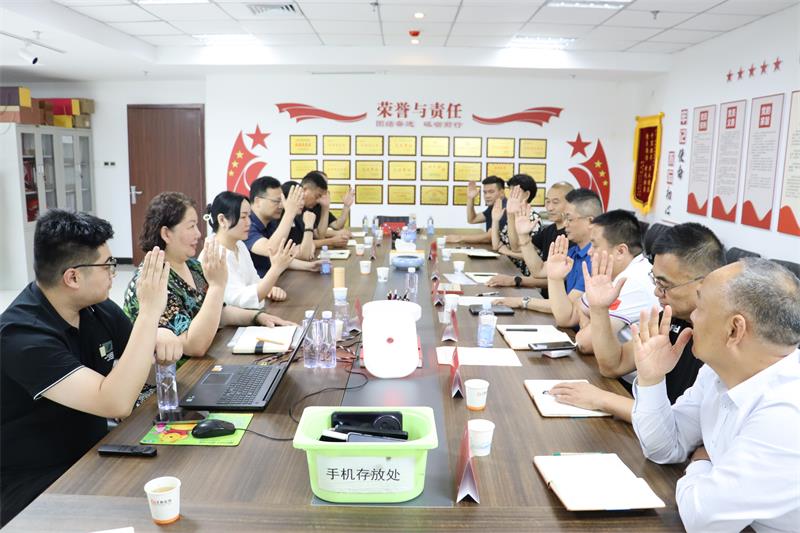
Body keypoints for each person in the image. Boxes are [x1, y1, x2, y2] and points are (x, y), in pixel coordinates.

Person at [0, 210, 173, 526]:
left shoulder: (96, 308)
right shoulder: (21, 336)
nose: (113, 273)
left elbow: (141, 369)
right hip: (33, 479)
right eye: (107, 265)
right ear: (73, 277)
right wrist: (149, 313)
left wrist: (159, 340)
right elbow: (115, 402)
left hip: (91, 451)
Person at [631, 258, 800, 532]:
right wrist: (652, 379)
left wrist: (701, 461)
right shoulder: (716, 372)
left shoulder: (788, 412)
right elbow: (664, 447)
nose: (692, 317)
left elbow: (703, 520)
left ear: (734, 330)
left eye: (700, 307)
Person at [549, 223, 724, 422]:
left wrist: (601, 399)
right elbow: (613, 365)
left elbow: (680, 422)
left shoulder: (725, 340)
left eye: (664, 285)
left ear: (705, 283)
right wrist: (599, 309)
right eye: (655, 281)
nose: (657, 292)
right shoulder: (669, 318)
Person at [123, 192, 293, 357]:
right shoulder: (151, 281)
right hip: (181, 372)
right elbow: (194, 346)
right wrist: (217, 287)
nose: (198, 233)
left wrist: (257, 317)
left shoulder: (193, 267)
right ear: (166, 234)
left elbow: (220, 312)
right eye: (191, 226)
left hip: (209, 356)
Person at [495, 188, 601, 315]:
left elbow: (567, 307)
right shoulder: (574, 251)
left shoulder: (597, 259)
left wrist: (521, 301)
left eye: (569, 219)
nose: (565, 224)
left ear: (590, 221)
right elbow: (538, 270)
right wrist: (523, 236)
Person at [203, 191, 297, 309]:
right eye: (243, 217)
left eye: (249, 216)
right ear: (222, 220)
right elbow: (238, 300)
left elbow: (254, 281)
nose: (249, 222)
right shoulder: (213, 255)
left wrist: (269, 288)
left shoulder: (239, 245)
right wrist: (275, 270)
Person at [486, 181, 574, 293]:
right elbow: (517, 248)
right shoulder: (549, 230)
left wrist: (516, 280)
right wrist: (511, 215)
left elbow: (558, 278)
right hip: (543, 295)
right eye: (547, 201)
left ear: (571, 204)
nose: (550, 207)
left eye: (555, 202)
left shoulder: (573, 236)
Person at [245, 176, 318, 276]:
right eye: (276, 201)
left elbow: (281, 258)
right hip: (258, 283)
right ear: (258, 201)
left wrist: (310, 266)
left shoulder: (271, 223)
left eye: (282, 201)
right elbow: (270, 249)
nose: (281, 206)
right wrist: (290, 212)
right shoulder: (246, 224)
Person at [490, 174, 542, 276]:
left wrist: (507, 252)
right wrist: (495, 220)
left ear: (526, 195)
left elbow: (522, 251)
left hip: (524, 274)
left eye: (515, 191)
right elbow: (496, 246)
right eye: (510, 191)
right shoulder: (513, 214)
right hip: (507, 267)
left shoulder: (533, 218)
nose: (511, 196)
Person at [445, 176, 506, 245]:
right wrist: (470, 198)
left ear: (501, 192)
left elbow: (489, 237)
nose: (487, 196)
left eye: (491, 192)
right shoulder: (494, 206)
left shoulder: (505, 208)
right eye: (485, 192)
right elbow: (472, 219)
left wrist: (460, 238)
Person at [300, 171, 352, 247]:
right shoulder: (299, 207)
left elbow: (337, 226)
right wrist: (334, 236)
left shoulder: (317, 205)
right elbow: (316, 236)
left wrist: (346, 206)